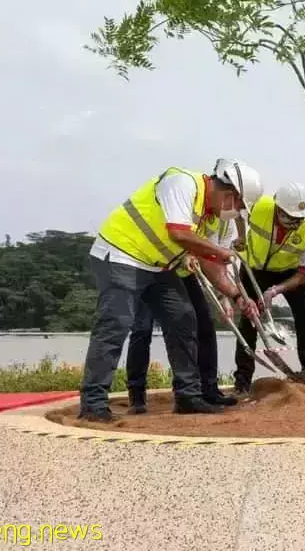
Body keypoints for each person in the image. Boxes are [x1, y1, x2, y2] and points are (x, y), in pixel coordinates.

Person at [78, 159, 263, 422]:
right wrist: (219, 251)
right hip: (121, 255)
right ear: (228, 194)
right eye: (239, 206)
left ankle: (188, 396)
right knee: (115, 325)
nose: (236, 213)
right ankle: (93, 404)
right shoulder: (182, 183)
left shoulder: (210, 218)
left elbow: (212, 265)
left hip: (157, 267)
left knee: (184, 318)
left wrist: (235, 295)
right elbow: (178, 233)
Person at [125, 211, 245, 414]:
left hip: (182, 272)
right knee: (142, 329)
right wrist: (186, 254)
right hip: (149, 267)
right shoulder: (192, 205)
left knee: (203, 325)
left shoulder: (225, 224)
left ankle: (207, 390)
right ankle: (137, 395)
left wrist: (226, 297)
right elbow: (175, 234)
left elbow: (217, 265)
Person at [233, 182, 305, 394]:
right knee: (248, 320)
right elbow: (236, 210)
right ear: (278, 210)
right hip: (255, 268)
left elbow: (303, 274)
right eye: (292, 219)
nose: (297, 224)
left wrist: (275, 290)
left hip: (290, 273)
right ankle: (242, 381)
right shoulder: (259, 206)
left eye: (300, 219)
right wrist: (242, 236)